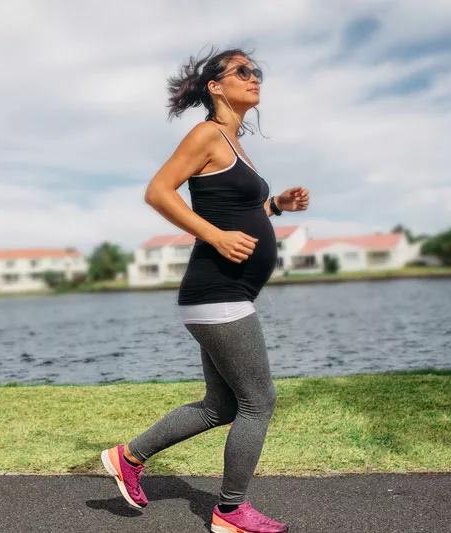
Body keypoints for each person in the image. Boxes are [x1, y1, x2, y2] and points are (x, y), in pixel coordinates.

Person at [100, 45, 309, 533]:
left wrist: (276, 206)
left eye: (256, 71)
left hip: (223, 294)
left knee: (222, 405)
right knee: (260, 402)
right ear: (216, 86)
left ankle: (128, 457)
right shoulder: (206, 134)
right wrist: (212, 235)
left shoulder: (235, 145)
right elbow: (158, 190)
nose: (254, 77)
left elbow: (237, 212)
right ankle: (231, 511)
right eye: (242, 71)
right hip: (217, 293)